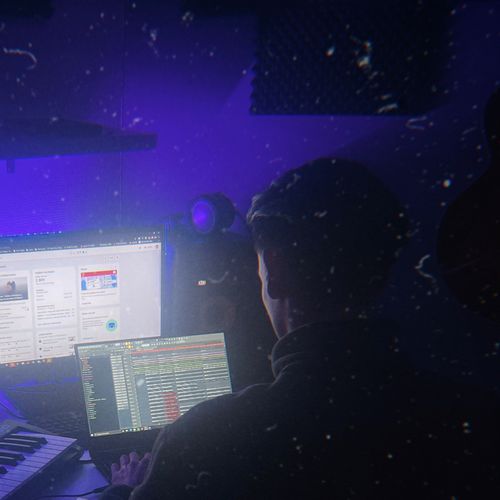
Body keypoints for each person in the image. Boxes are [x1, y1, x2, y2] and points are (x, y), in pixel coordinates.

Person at [102, 158, 500, 499]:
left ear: (274, 270)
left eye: (259, 269)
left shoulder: (202, 438)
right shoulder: (477, 418)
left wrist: (125, 490)